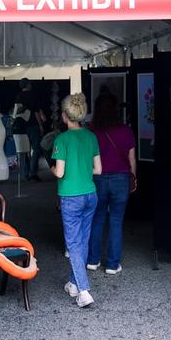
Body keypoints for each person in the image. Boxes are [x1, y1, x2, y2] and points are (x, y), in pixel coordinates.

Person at [51, 93, 101, 308]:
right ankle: (73, 283)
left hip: (71, 197)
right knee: (82, 240)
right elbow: (98, 169)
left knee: (73, 243)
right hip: (90, 194)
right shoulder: (91, 137)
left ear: (65, 115)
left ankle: (84, 291)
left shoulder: (61, 140)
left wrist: (52, 169)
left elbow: (60, 173)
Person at [87, 92, 136, 275]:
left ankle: (93, 260)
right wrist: (133, 178)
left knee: (97, 219)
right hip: (121, 179)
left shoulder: (92, 132)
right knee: (116, 221)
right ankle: (112, 265)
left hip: (98, 179)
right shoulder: (126, 130)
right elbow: (132, 159)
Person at [16, 78, 45, 181]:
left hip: (21, 126)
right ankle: (33, 172)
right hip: (33, 124)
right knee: (36, 148)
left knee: (24, 149)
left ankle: (26, 173)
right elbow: (36, 111)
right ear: (28, 85)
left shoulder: (18, 96)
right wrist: (40, 125)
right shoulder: (32, 95)